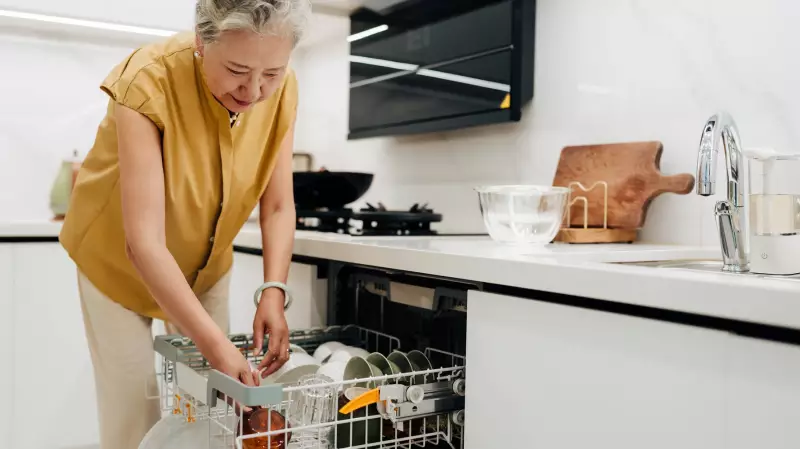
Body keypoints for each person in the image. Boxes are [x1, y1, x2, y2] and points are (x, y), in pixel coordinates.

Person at [58, 0, 310, 447]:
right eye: (237, 70)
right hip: (117, 267)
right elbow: (144, 244)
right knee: (133, 419)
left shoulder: (283, 89)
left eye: (271, 73)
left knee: (215, 418)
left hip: (206, 267)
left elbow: (276, 206)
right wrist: (215, 346)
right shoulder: (146, 80)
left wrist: (274, 290)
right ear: (201, 42)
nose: (254, 90)